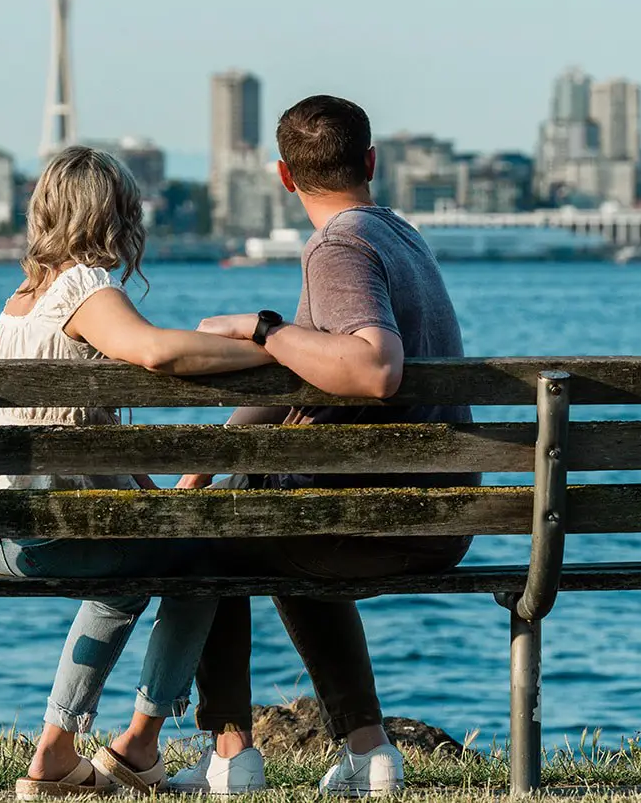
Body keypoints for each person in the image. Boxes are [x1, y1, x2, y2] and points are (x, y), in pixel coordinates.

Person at [168, 95, 478, 798]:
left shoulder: (338, 247)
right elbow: (294, 382)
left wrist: (262, 329)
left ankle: (231, 756)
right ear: (371, 161)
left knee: (215, 538)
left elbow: (373, 367)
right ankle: (371, 753)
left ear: (283, 176)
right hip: (447, 513)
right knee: (270, 520)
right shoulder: (399, 235)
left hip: (388, 517)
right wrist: (202, 470)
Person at [0, 146, 274, 799]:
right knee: (203, 558)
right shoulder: (83, 286)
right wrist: (261, 341)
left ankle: (58, 755)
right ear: (115, 215)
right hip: (48, 526)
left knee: (135, 573)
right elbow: (155, 349)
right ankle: (136, 743)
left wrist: (149, 495)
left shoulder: (22, 299)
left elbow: (83, 419)